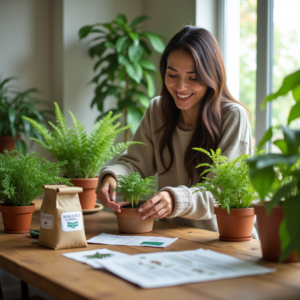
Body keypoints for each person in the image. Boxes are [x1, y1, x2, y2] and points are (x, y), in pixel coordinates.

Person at [96, 26, 257, 238]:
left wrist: (175, 199)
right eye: (173, 75)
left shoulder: (233, 117)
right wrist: (113, 177)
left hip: (221, 240)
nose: (181, 87)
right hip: (170, 237)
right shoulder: (158, 110)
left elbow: (220, 193)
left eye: (193, 77)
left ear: (212, 77)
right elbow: (134, 164)